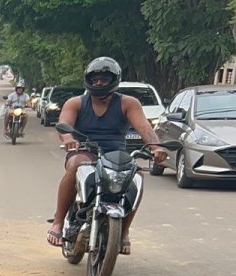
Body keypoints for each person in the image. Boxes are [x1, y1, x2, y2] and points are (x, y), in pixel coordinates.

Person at [47, 57, 167, 253]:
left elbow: (144, 127)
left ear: (114, 80)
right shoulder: (75, 103)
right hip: (84, 150)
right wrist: (68, 138)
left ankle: (124, 231)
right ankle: (58, 222)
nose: (99, 82)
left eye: (104, 78)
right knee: (78, 164)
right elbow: (64, 125)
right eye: (95, 79)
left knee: (136, 177)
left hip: (116, 154)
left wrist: (155, 147)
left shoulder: (128, 103)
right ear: (88, 80)